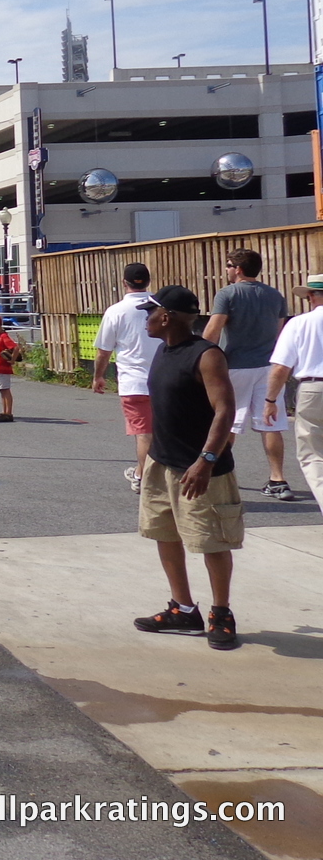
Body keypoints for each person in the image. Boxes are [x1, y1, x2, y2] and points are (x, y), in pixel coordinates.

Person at [132, 286, 242, 651]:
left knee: (211, 541)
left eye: (150, 312)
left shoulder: (207, 356)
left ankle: (221, 613)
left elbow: (225, 411)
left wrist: (206, 460)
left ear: (167, 316)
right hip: (162, 465)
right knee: (165, 534)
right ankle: (183, 609)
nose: (145, 318)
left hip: (202, 469)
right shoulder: (164, 351)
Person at [203, 248, 297, 501]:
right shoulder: (275, 295)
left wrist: (199, 357)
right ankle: (278, 479)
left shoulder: (228, 294)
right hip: (268, 366)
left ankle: (218, 475)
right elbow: (279, 331)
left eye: (228, 265)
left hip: (234, 365)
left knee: (227, 421)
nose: (226, 269)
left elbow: (214, 329)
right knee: (271, 424)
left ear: (239, 269)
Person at [91, 262, 162, 493]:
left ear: (124, 283)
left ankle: (144, 477)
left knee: (143, 434)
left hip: (134, 382)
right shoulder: (163, 307)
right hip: (165, 379)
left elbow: (104, 350)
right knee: (165, 431)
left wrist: (98, 376)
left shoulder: (116, 311)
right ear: (149, 281)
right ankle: (155, 474)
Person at [264, 273, 323, 512]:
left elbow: (280, 368)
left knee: (312, 453)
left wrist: (270, 399)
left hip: (313, 387)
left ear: (310, 296)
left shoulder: (299, 323)